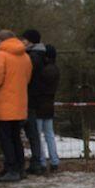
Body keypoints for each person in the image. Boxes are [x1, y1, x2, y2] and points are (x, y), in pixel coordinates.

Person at [0, 30, 32, 182]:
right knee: (16, 137)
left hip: (5, 103)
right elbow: (27, 78)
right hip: (20, 102)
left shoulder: (1, 55)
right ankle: (19, 168)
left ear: (1, 40)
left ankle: (11, 169)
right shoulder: (25, 56)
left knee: (6, 138)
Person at [20, 29, 46, 175]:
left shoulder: (32, 57)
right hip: (33, 98)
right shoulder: (39, 55)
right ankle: (36, 162)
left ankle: (34, 162)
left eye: (24, 39)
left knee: (31, 133)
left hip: (28, 98)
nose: (21, 42)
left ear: (30, 41)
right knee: (33, 133)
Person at [35, 44, 61, 172]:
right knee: (49, 135)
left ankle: (42, 161)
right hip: (49, 106)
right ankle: (54, 161)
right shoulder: (55, 69)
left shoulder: (41, 70)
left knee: (38, 135)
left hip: (38, 105)